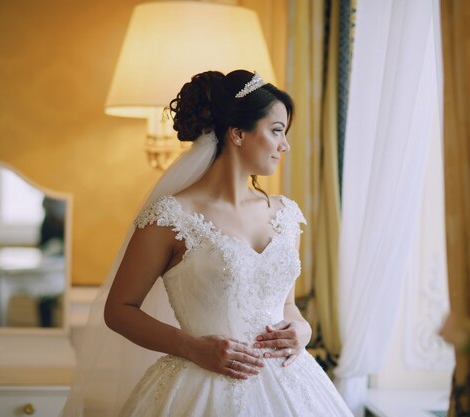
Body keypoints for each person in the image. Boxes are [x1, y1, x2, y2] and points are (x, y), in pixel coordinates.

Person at [61, 70, 352, 417]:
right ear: (238, 133)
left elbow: (284, 305)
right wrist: (193, 348)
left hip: (294, 386)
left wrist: (301, 329)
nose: (285, 145)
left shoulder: (286, 215)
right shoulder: (169, 218)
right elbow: (119, 309)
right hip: (201, 388)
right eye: (276, 131)